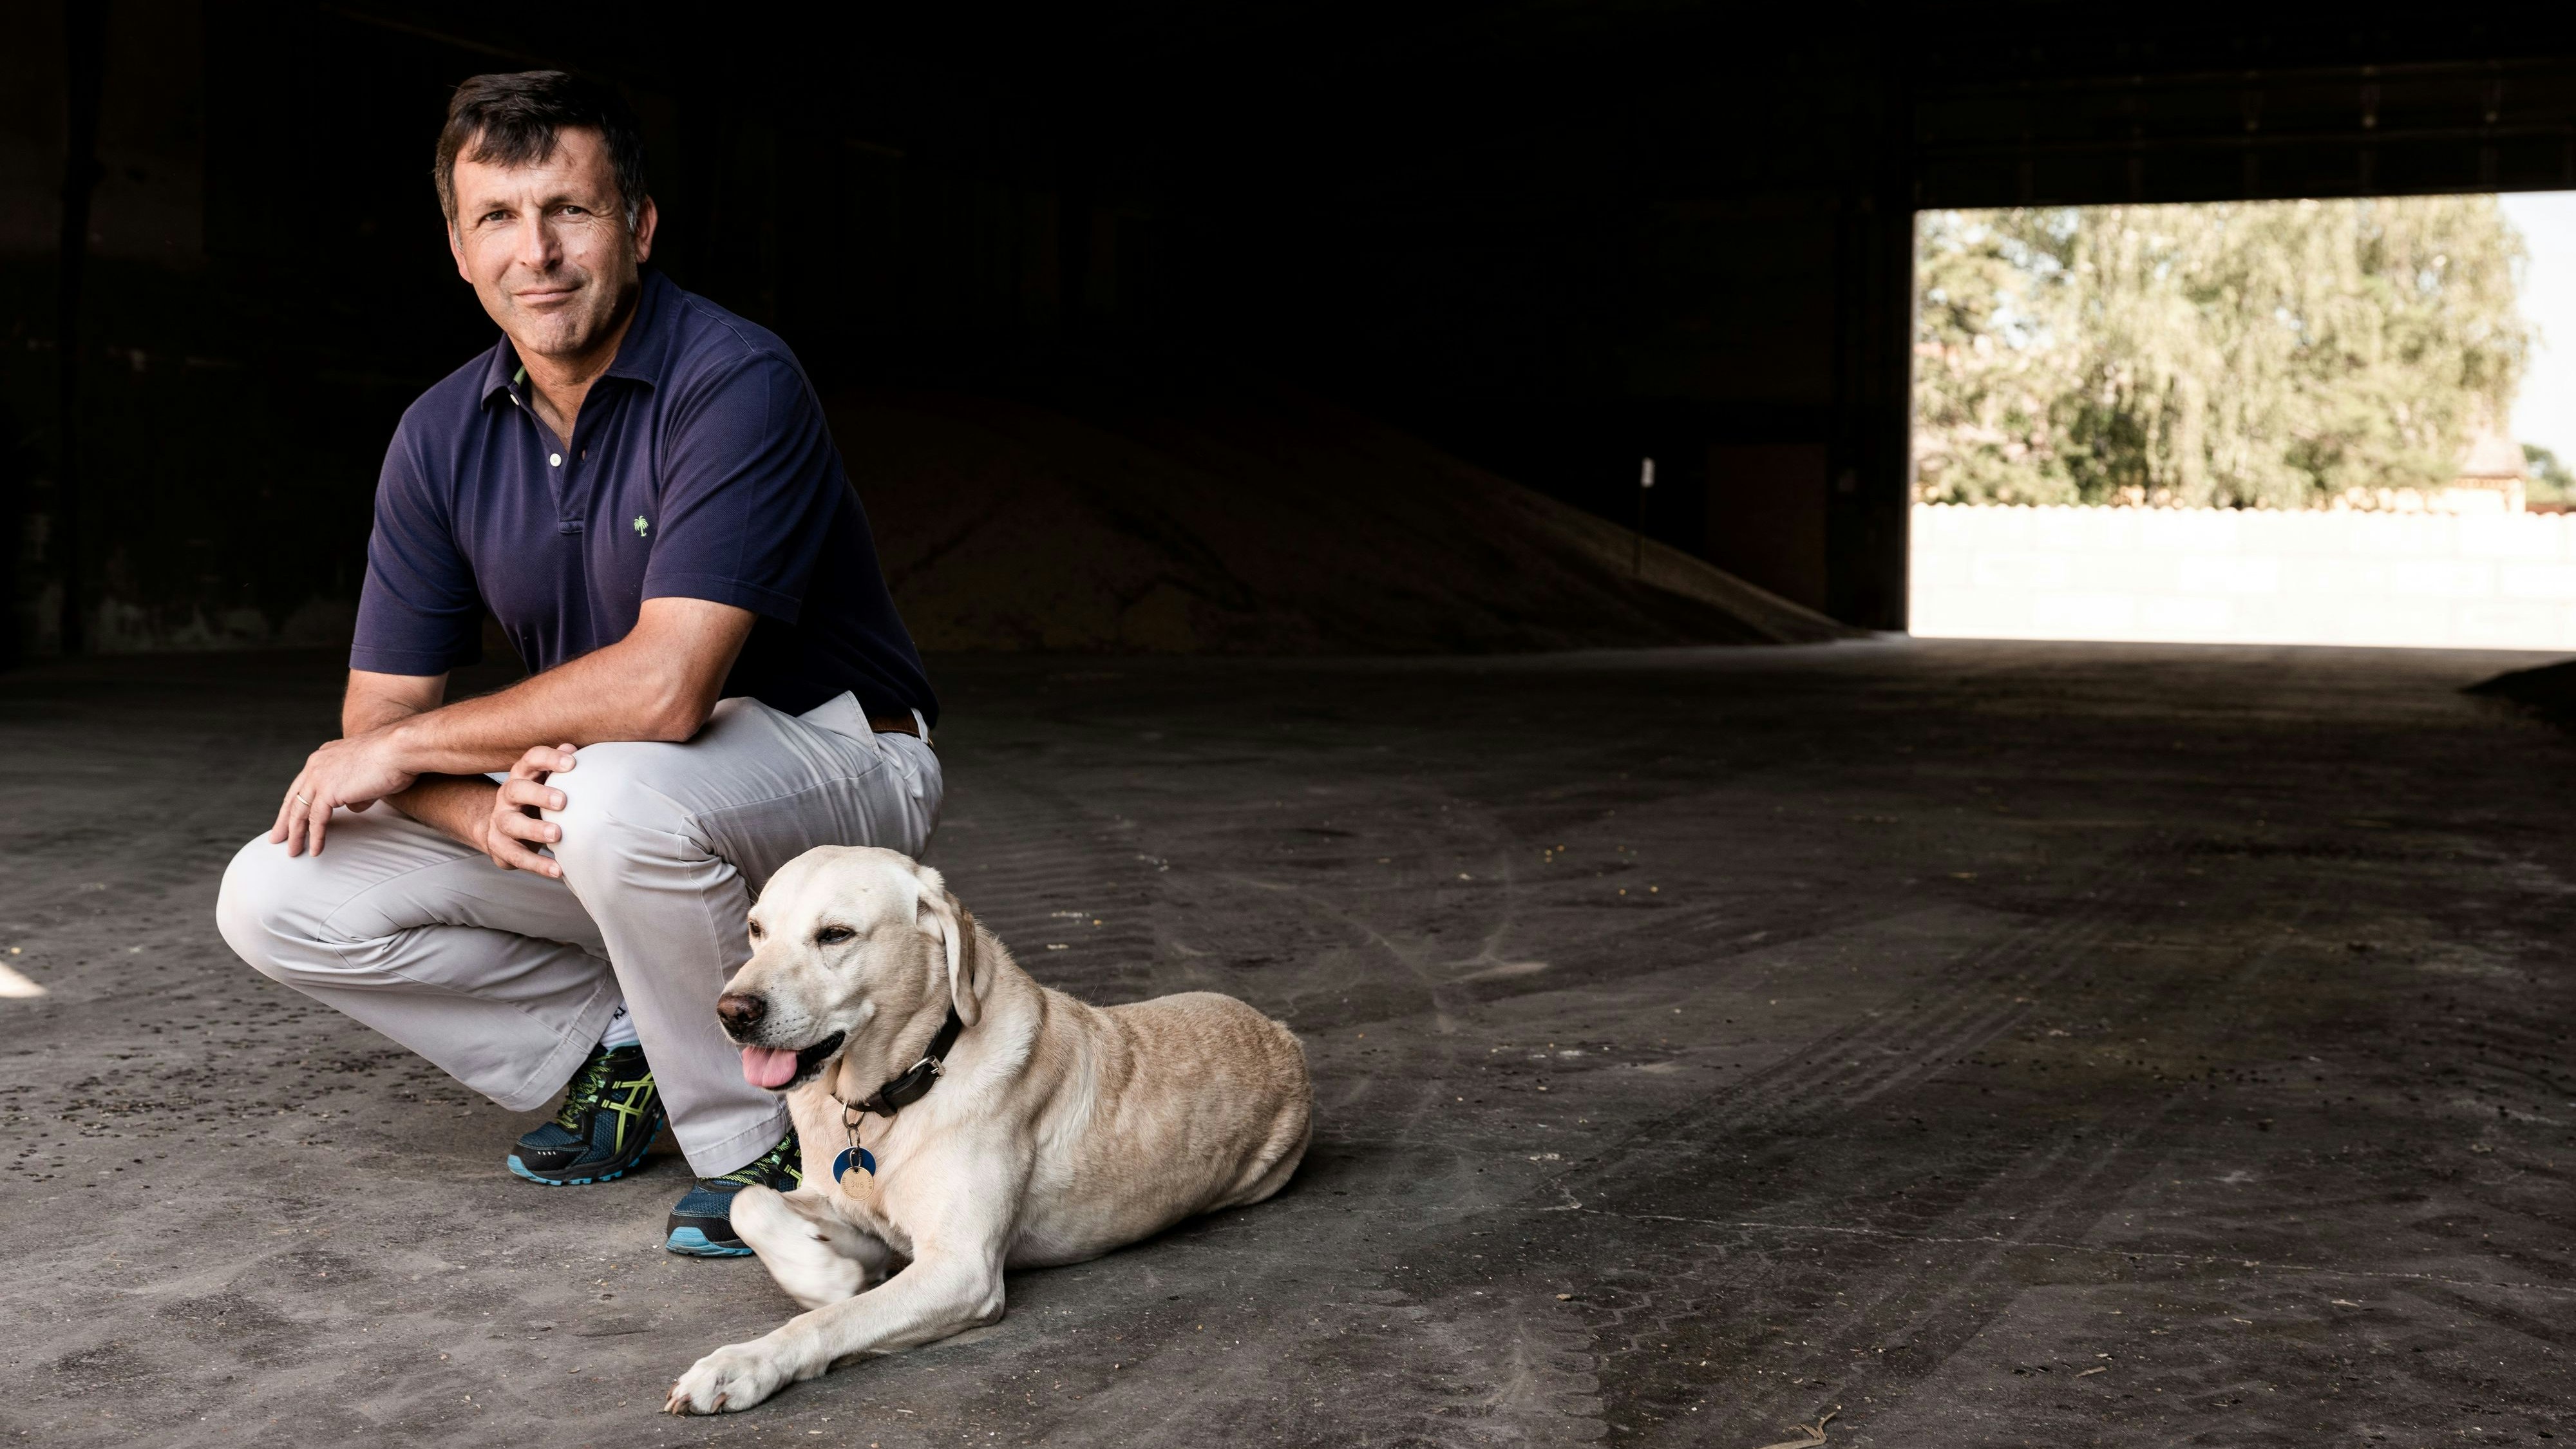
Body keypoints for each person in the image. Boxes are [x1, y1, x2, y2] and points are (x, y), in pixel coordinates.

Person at [216, 71, 941, 1257]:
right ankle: (628, 1035)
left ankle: (761, 1135)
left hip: (845, 759)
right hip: (630, 803)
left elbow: (666, 687)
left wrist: (404, 752)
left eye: (572, 211)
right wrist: (471, 806)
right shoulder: (439, 434)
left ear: (639, 228)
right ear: (458, 249)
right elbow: (379, 714)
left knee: (610, 797)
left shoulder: (734, 379)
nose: (537, 252)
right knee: (278, 889)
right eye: (498, 217)